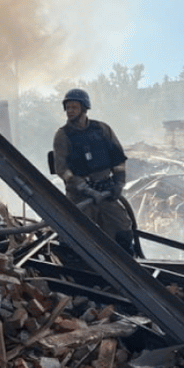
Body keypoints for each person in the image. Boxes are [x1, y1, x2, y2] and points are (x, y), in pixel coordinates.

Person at [52, 88, 136, 254]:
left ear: (84, 108)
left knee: (122, 227)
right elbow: (62, 169)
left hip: (105, 191)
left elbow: (118, 160)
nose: (69, 111)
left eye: (73, 107)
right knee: (75, 235)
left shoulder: (102, 129)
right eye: (67, 108)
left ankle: (126, 266)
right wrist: (83, 187)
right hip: (80, 196)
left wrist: (118, 183)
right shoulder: (63, 135)